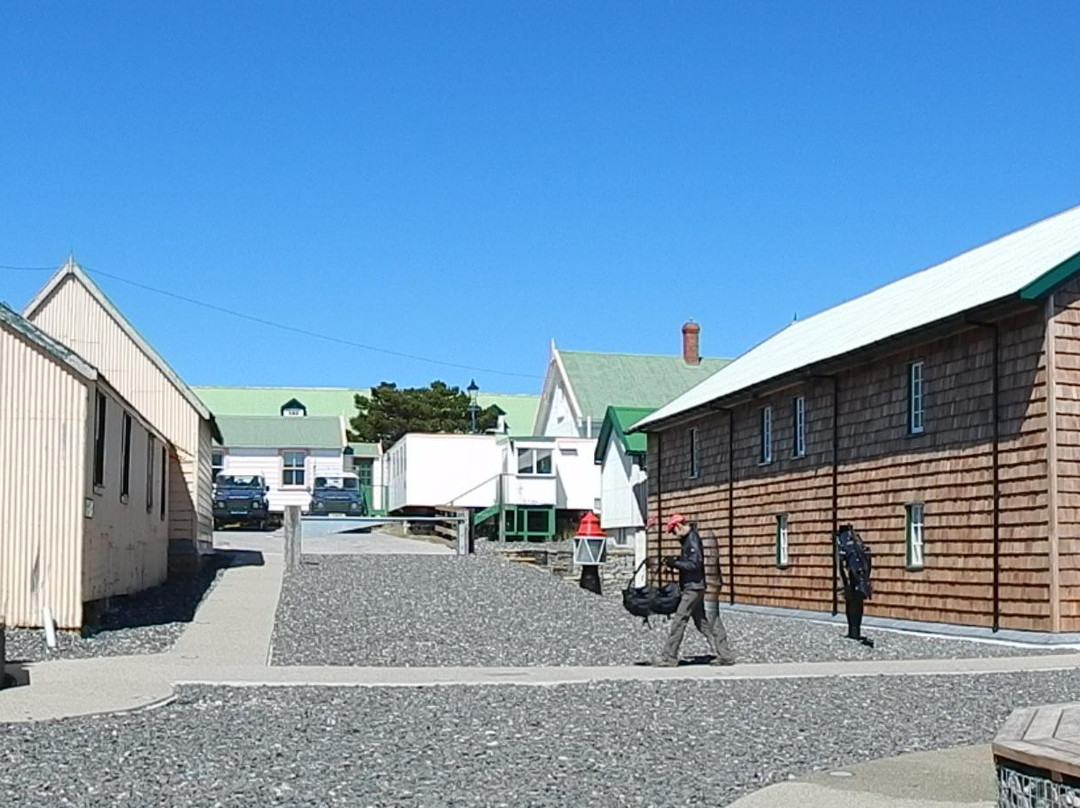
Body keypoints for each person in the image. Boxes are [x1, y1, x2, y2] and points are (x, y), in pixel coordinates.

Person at [654, 514, 736, 667]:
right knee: (702, 623)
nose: (674, 535)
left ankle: (669, 656)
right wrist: (676, 562)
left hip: (693, 587)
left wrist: (676, 563)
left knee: (679, 620)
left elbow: (694, 564)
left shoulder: (692, 540)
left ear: (678, 526)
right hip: (695, 586)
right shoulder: (689, 539)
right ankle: (724, 654)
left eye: (673, 531)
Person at [835, 524, 874, 648]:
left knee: (854, 603)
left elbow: (843, 566)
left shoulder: (848, 545)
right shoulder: (852, 545)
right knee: (855, 603)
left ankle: (854, 631)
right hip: (855, 581)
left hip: (855, 580)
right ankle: (854, 631)